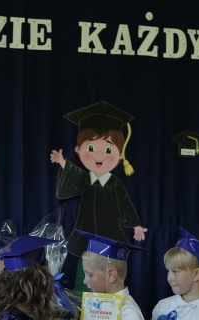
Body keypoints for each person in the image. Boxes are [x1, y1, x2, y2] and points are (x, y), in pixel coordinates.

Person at [49, 101, 146, 258]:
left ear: (121, 154)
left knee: (109, 261)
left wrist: (136, 226)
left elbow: (125, 204)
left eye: (108, 149)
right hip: (85, 233)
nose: (99, 155)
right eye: (91, 148)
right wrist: (62, 161)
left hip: (110, 233)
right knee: (85, 258)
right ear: (78, 150)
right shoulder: (86, 179)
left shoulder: (115, 184)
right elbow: (75, 175)